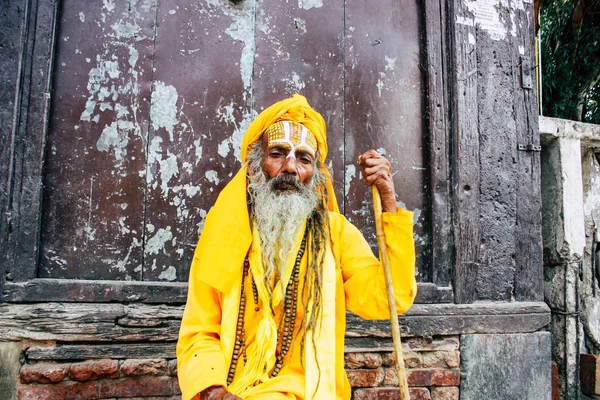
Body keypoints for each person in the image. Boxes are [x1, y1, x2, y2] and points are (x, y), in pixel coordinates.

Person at [176, 94, 417, 400]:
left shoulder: (335, 234)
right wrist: (213, 392)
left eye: (303, 158)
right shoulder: (224, 232)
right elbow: (199, 332)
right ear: (254, 166)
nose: (290, 167)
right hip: (231, 389)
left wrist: (388, 200)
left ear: (314, 175)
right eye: (277, 153)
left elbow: (388, 299)